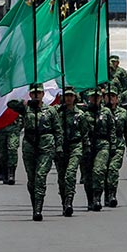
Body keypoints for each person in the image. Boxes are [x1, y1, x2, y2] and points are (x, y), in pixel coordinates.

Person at [6, 83, 58, 220]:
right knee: (32, 179)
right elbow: (10, 104)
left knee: (40, 176)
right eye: (34, 93)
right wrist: (26, 102)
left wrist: (58, 148)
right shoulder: (26, 108)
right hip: (30, 145)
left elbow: (58, 130)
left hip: (45, 146)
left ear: (43, 94)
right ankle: (34, 202)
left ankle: (38, 209)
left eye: (39, 93)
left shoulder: (50, 111)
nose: (36, 95)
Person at [53, 86, 88, 217]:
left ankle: (69, 202)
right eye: (66, 96)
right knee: (62, 178)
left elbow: (85, 133)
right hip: (61, 148)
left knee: (70, 174)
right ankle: (64, 200)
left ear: (75, 98)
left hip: (75, 146)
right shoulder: (57, 112)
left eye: (71, 96)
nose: (68, 98)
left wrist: (86, 149)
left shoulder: (80, 114)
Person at [80, 88, 114, 212]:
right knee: (88, 174)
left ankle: (97, 197)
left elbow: (112, 129)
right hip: (88, 146)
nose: (95, 99)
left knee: (99, 170)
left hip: (102, 144)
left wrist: (113, 145)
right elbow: (82, 132)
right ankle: (90, 199)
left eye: (98, 97)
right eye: (93, 97)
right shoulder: (84, 114)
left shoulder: (106, 112)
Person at [104, 88, 127, 207]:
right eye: (108, 96)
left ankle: (112, 194)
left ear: (117, 98)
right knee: (102, 171)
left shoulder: (123, 113)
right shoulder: (101, 112)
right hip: (103, 145)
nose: (110, 99)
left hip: (118, 145)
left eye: (113, 96)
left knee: (113, 169)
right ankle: (105, 195)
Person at [0, 89, 23, 185]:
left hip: (13, 127)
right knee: (1, 152)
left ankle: (11, 173)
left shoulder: (17, 93)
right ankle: (3, 170)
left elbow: (23, 111)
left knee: (12, 149)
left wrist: (19, 126)